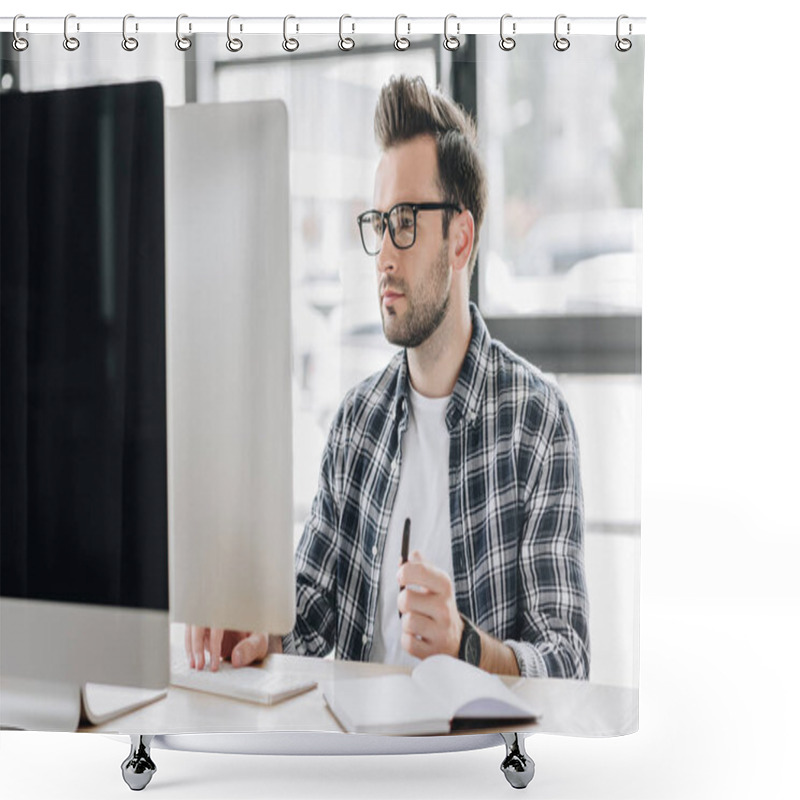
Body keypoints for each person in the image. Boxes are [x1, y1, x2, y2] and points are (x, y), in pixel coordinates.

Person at [186, 75, 589, 679]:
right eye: (379, 223)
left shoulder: (536, 420)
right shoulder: (356, 421)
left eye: (405, 221)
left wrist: (465, 646)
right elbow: (311, 611)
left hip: (467, 766)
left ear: (460, 238)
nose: (385, 255)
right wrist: (257, 627)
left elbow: (568, 660)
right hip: (348, 760)